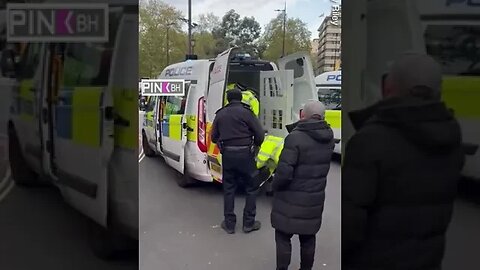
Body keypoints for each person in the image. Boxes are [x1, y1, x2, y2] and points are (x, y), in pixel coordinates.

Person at [342, 52, 465, 270]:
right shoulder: (451, 134)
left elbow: (349, 225)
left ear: (387, 88)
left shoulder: (369, 141)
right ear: (438, 92)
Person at [271, 100, 335, 270]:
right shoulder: (329, 138)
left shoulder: (295, 138)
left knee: (283, 236)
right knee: (308, 237)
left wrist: (274, 186)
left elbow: (284, 173)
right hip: (314, 199)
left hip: (290, 199)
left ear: (302, 115)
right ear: (323, 116)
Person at [211, 88, 265, 234]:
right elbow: (260, 134)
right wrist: (256, 146)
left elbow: (213, 137)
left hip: (228, 155)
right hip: (246, 155)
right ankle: (249, 223)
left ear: (228, 99)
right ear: (241, 99)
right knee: (251, 188)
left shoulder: (220, 114)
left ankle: (229, 224)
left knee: (229, 189)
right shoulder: (247, 113)